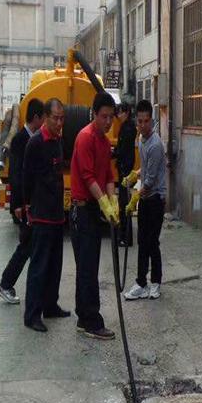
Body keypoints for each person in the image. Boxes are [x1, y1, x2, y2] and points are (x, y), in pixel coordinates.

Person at [69, 91, 120, 340]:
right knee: (87, 268)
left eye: (111, 117)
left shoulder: (104, 141)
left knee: (87, 266)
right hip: (82, 209)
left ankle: (83, 316)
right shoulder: (85, 138)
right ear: (94, 114)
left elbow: (108, 175)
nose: (108, 122)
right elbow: (87, 176)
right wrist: (102, 202)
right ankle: (92, 321)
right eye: (104, 117)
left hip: (93, 208)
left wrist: (113, 201)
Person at [22, 98, 70, 332]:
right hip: (41, 214)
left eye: (62, 119)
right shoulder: (36, 143)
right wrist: (27, 208)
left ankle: (50, 305)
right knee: (39, 266)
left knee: (54, 264)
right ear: (46, 117)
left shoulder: (58, 140)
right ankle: (32, 314)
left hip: (57, 213)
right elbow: (26, 179)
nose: (59, 123)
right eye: (55, 118)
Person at [0, 98, 45, 304]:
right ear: (36, 118)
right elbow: (16, 174)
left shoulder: (36, 138)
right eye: (43, 118)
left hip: (34, 201)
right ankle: (6, 284)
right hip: (23, 203)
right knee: (26, 245)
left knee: (31, 245)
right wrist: (16, 204)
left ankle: (36, 290)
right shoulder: (20, 140)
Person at [123, 99, 167, 301]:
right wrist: (134, 174)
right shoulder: (141, 139)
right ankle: (141, 283)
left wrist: (134, 199)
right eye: (139, 121)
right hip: (146, 199)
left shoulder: (155, 145)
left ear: (152, 120)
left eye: (146, 121)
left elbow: (149, 181)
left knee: (151, 242)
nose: (142, 125)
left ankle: (155, 282)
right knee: (142, 241)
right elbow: (146, 168)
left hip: (155, 199)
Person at [112, 102, 137, 247]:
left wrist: (113, 153)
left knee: (124, 204)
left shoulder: (128, 128)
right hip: (124, 169)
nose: (118, 115)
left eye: (120, 112)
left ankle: (126, 238)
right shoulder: (126, 126)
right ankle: (124, 236)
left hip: (125, 171)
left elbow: (123, 150)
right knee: (124, 203)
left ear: (126, 112)